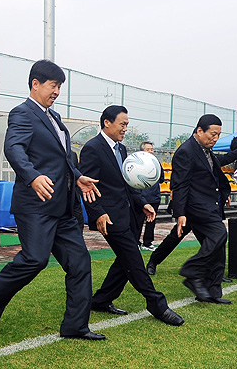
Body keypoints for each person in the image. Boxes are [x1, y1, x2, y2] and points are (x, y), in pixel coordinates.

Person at [0, 59, 105, 341]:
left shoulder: (55, 118)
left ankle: (76, 326)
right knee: (34, 260)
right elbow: (14, 148)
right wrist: (33, 176)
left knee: (80, 263)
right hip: (36, 205)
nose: (57, 91)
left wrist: (77, 175)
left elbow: (62, 159)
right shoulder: (23, 113)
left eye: (60, 86)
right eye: (53, 85)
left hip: (63, 207)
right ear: (35, 84)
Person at [79, 105, 184, 326]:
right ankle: (157, 304)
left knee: (125, 260)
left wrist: (143, 203)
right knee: (134, 260)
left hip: (129, 213)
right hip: (109, 217)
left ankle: (101, 300)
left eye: (127, 125)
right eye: (123, 124)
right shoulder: (92, 148)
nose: (126, 128)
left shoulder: (123, 149)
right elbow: (87, 187)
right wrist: (97, 213)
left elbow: (128, 185)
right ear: (107, 122)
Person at [172, 114, 237, 304]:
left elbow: (219, 162)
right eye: (213, 134)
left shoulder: (205, 150)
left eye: (218, 135)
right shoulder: (186, 151)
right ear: (199, 131)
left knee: (218, 249)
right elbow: (179, 185)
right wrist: (180, 213)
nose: (216, 138)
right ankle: (192, 270)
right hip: (196, 206)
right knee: (220, 233)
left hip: (209, 204)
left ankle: (212, 292)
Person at [136, 141, 164, 251]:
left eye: (152, 149)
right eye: (148, 149)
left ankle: (147, 243)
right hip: (141, 197)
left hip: (154, 196)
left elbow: (161, 178)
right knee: (138, 221)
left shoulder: (156, 163)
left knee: (151, 221)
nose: (151, 151)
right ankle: (136, 242)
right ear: (142, 151)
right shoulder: (137, 163)